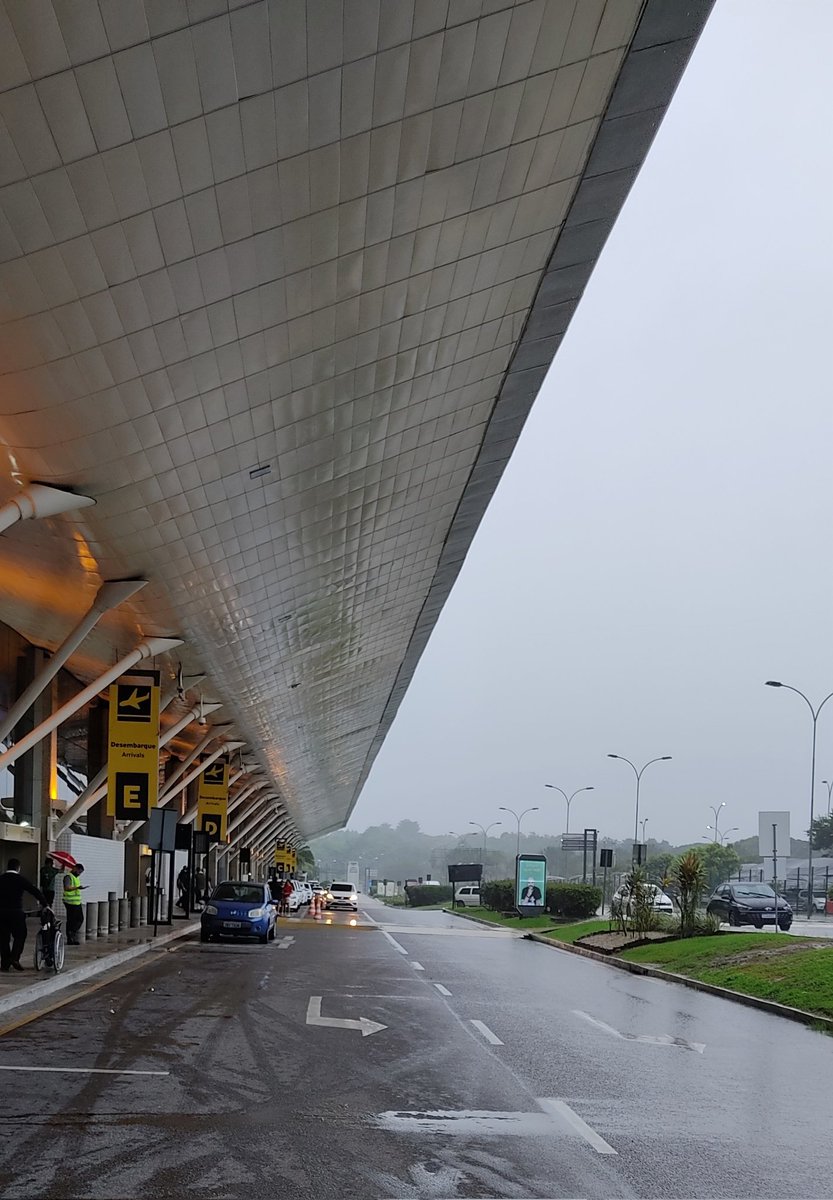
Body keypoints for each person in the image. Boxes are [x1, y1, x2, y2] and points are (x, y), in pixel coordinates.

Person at [0, 859, 45, 971]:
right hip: (16, 912)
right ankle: (15, 958)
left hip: (1, 912)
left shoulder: (1, 879)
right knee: (20, 935)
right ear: (18, 868)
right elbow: (34, 891)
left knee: (3, 938)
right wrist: (45, 904)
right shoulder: (20, 879)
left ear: (7, 867)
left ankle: (5, 963)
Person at [63, 862, 87, 945]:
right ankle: (70, 937)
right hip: (69, 902)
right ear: (75, 868)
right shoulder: (68, 877)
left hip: (76, 902)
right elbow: (67, 887)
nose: (79, 874)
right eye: (79, 871)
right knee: (71, 920)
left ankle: (72, 935)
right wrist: (77, 887)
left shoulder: (76, 878)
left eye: (81, 872)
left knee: (79, 919)